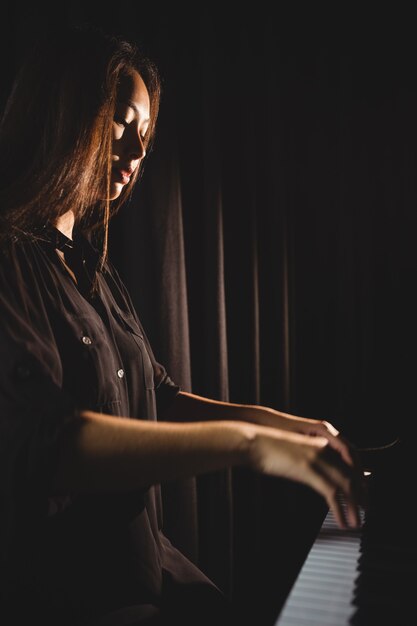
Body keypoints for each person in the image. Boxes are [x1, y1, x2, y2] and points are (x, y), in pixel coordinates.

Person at [0, 23, 366, 626]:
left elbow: (157, 401)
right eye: (121, 123)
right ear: (65, 108)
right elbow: (47, 445)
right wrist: (248, 448)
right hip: (81, 599)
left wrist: (291, 428)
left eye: (145, 133)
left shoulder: (90, 268)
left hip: (149, 568)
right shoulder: (12, 257)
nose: (139, 152)